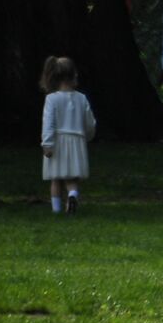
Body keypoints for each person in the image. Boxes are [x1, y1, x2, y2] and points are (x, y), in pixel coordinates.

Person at [39, 56, 96, 215]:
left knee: (55, 179)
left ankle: (56, 210)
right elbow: (89, 122)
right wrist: (88, 136)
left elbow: (48, 122)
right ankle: (72, 195)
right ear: (73, 75)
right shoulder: (81, 98)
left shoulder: (52, 99)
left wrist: (47, 143)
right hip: (76, 141)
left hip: (57, 142)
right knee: (72, 178)